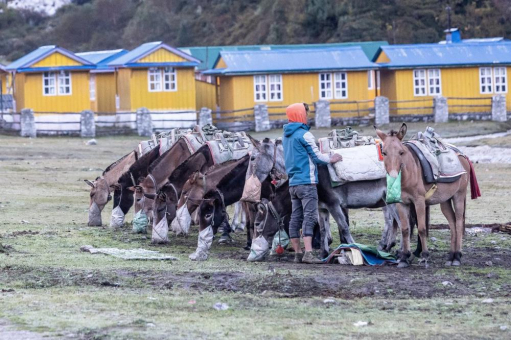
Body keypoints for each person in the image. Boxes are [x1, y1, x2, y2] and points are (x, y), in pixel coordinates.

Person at [282, 103, 342, 264]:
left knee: (295, 217)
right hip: (307, 183)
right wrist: (332, 158)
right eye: (305, 114)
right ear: (300, 115)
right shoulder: (304, 135)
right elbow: (317, 158)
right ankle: (309, 253)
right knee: (309, 217)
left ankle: (297, 253)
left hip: (293, 184)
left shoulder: (286, 136)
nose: (307, 117)